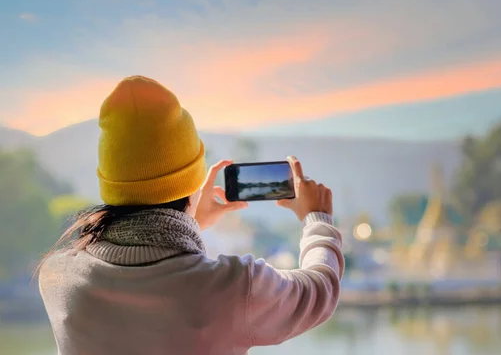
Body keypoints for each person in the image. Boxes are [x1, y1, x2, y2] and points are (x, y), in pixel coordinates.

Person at [38, 76, 344, 355]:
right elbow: (319, 291)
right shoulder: (232, 288)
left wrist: (191, 220)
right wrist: (317, 219)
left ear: (110, 182)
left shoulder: (57, 278)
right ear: (193, 186)